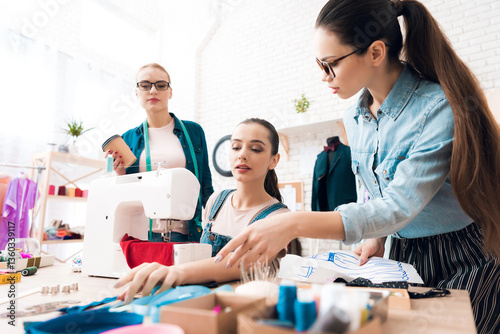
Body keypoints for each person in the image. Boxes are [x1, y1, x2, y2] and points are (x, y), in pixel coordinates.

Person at [215, 1, 500, 332]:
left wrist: (293, 224)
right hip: (405, 257)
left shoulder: (436, 109)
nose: (324, 77)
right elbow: (375, 191)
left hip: (465, 256)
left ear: (376, 53)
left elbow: (399, 205)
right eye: (319, 65)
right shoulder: (354, 117)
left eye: (330, 64)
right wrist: (377, 236)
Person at [114, 118, 290, 304]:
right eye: (236, 147)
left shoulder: (279, 217)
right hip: (205, 303)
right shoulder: (216, 202)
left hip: (248, 309)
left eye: (255, 149)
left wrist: (175, 271)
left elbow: (242, 263)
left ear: (274, 160)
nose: (242, 155)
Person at [107, 63, 214, 242]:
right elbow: (122, 195)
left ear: (170, 92)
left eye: (161, 85)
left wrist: (215, 226)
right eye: (145, 85)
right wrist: (120, 174)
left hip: (188, 234)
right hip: (141, 234)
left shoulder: (194, 132)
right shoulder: (127, 139)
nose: (153, 90)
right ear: (136, 92)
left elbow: (205, 187)